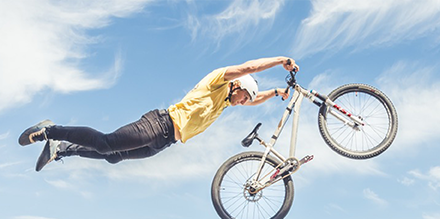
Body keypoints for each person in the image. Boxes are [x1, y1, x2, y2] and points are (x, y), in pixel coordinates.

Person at [20, 56, 300, 171]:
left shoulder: (226, 102)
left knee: (113, 158)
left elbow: (253, 100)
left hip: (164, 141)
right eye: (243, 96)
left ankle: (61, 150)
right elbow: (249, 68)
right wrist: (280, 61)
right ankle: (50, 130)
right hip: (158, 124)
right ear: (237, 85)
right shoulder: (219, 80)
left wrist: (276, 92)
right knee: (106, 143)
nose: (243, 103)